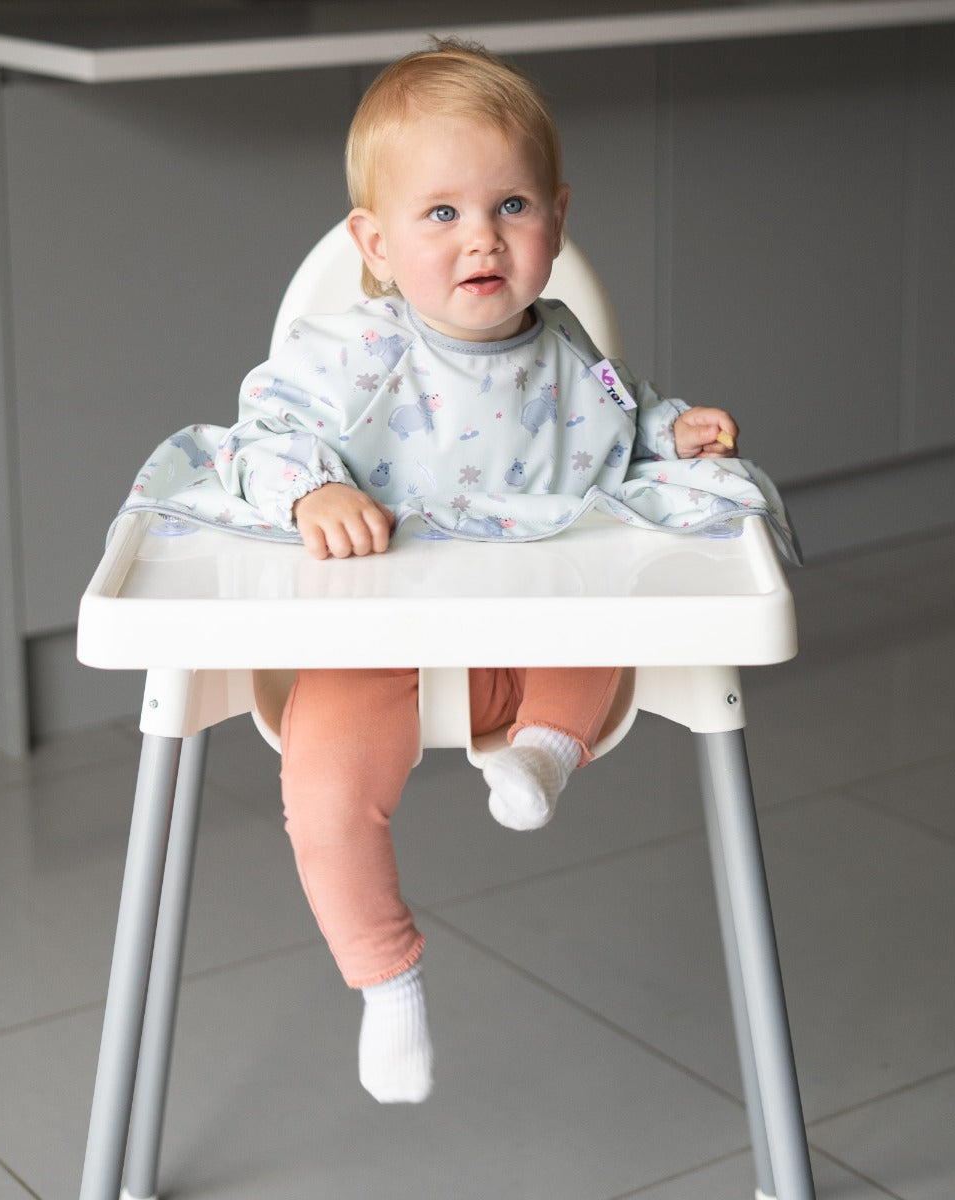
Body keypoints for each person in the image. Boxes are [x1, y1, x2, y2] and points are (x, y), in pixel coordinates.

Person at [216, 39, 740, 1105]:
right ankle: (387, 979)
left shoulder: (564, 348)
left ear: (557, 215)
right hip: (377, 657)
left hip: (533, 647)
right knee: (319, 792)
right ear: (374, 243)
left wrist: (675, 433)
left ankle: (545, 751)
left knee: (608, 618)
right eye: (441, 214)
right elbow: (255, 438)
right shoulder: (350, 355)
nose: (482, 240)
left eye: (511, 205)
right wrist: (312, 493)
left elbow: (621, 424)